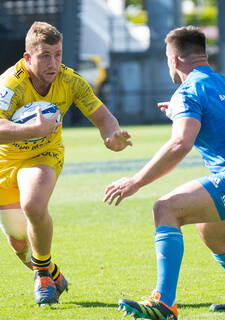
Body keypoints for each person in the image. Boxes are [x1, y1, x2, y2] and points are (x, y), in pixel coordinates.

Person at [104, 26, 225, 319]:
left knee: (165, 209)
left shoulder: (188, 90)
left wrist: (135, 182)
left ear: (174, 60)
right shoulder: (222, 83)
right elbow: (217, 120)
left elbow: (180, 144)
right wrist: (179, 112)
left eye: (167, 58)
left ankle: (163, 303)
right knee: (211, 230)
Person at [0, 21, 132, 306]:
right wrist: (31, 130)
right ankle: (50, 272)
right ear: (27, 58)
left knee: (34, 205)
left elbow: (103, 118)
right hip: (4, 161)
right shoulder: (10, 84)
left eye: (58, 54)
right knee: (20, 244)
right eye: (45, 55)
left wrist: (113, 136)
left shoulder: (70, 81)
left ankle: (43, 277)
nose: (54, 63)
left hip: (44, 155)